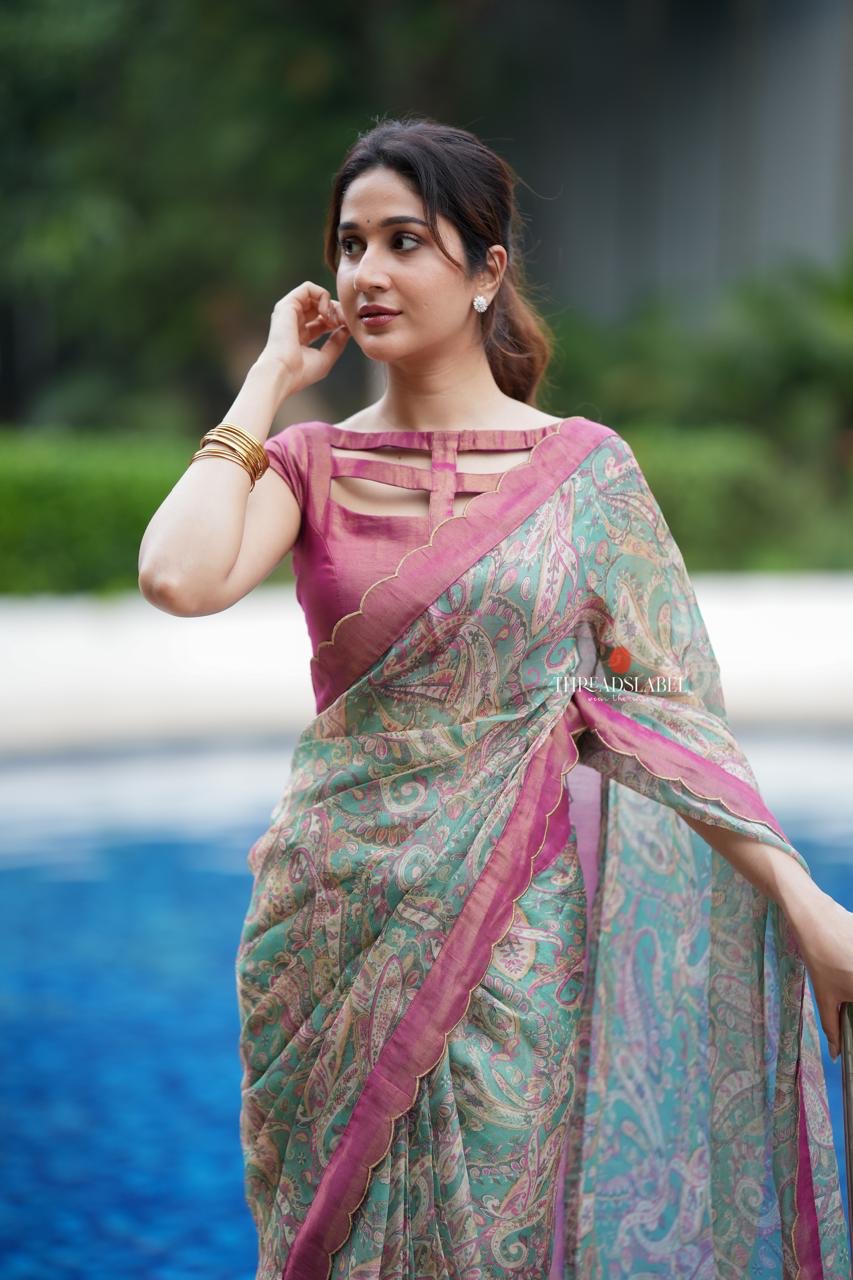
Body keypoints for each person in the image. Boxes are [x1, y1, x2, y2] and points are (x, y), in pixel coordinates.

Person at [138, 116, 853, 1279]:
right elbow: (178, 575)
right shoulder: (314, 465)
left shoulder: (585, 472)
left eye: (404, 241)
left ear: (485, 271)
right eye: (350, 244)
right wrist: (269, 378)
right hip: (327, 923)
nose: (367, 272)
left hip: (511, 928)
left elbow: (665, 723)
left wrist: (801, 899)